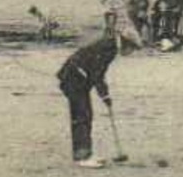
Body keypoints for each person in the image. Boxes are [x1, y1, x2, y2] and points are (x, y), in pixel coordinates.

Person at [56, 27, 139, 168]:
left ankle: (84, 153)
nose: (131, 52)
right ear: (126, 43)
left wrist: (104, 94)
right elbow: (97, 73)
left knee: (84, 115)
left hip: (77, 79)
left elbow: (98, 73)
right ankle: (82, 156)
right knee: (82, 116)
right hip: (73, 79)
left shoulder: (110, 45)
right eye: (133, 48)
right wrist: (104, 95)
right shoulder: (108, 47)